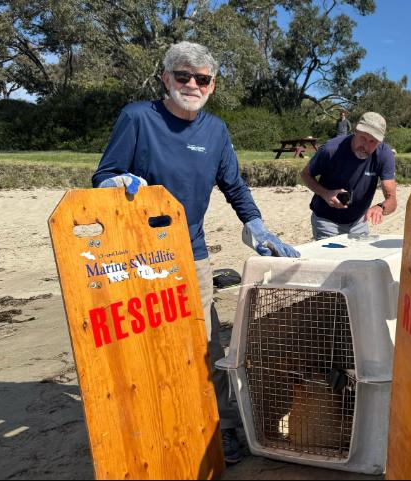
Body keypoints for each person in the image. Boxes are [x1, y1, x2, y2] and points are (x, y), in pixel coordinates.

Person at [92, 41, 300, 464]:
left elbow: (234, 187)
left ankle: (218, 427)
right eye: (182, 75)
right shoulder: (137, 118)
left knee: (207, 343)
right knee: (146, 345)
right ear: (165, 78)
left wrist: (256, 225)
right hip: (137, 259)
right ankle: (153, 423)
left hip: (193, 255)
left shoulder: (215, 131)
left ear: (212, 85)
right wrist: (114, 185)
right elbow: (103, 175)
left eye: (201, 78)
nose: (191, 84)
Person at [300, 112, 397, 240]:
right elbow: (305, 174)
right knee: (331, 259)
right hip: (326, 220)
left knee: (357, 260)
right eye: (363, 138)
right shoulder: (331, 149)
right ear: (356, 130)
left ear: (380, 142)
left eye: (372, 141)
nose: (365, 145)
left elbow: (392, 200)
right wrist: (326, 193)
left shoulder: (384, 155)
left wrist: (380, 207)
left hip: (358, 222)